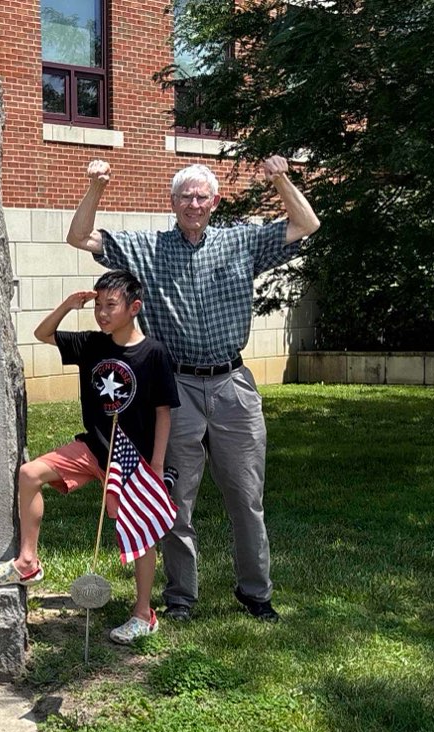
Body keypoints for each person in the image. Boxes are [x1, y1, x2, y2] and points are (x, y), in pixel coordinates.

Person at [67, 156, 320, 622]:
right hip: (175, 387)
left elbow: (306, 223)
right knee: (175, 501)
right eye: (186, 196)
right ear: (173, 202)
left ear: (215, 201)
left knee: (246, 496)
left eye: (202, 196)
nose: (194, 204)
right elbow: (80, 237)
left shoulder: (242, 241)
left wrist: (281, 179)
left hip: (232, 387)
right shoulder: (147, 248)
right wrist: (95, 187)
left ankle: (256, 593)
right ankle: (181, 596)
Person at [0, 270, 178, 643]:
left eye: (111, 305)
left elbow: (164, 412)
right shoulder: (91, 344)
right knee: (29, 473)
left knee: (137, 531)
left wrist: (156, 465)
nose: (102, 313)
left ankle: (142, 613)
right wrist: (68, 306)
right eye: (98, 305)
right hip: (92, 448)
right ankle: (26, 562)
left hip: (132, 460)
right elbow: (42, 334)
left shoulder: (154, 353)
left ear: (134, 307)